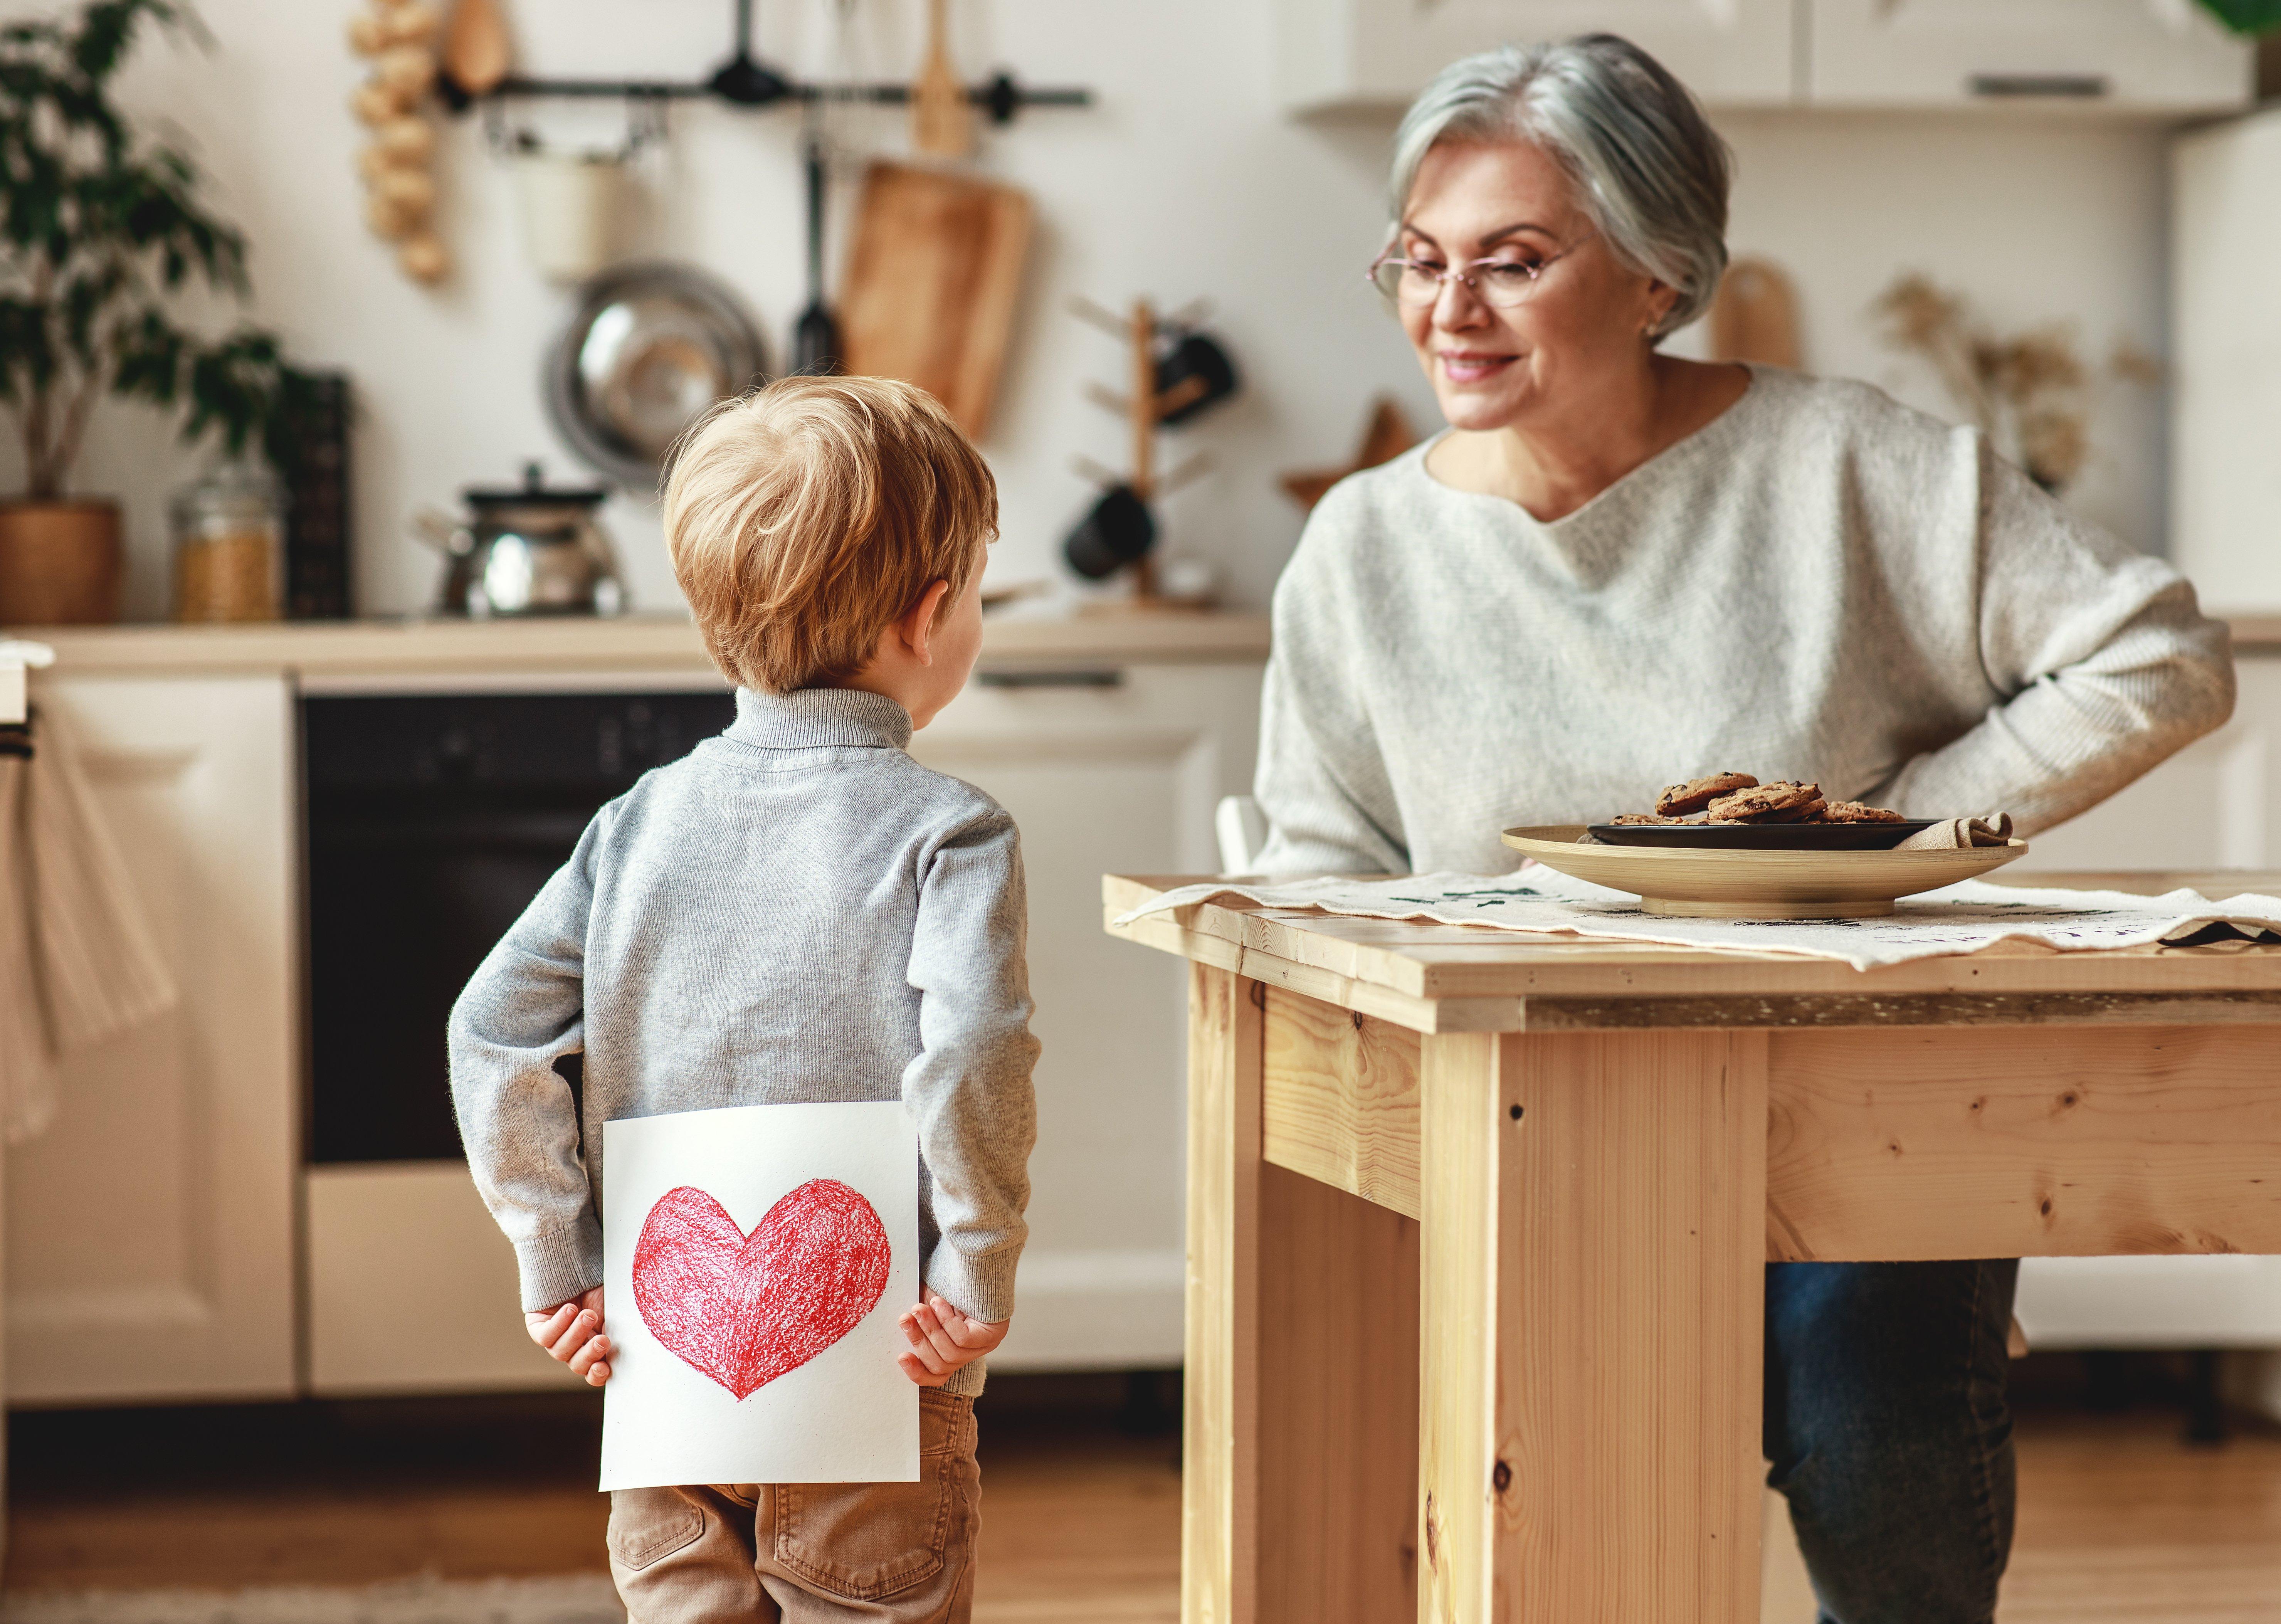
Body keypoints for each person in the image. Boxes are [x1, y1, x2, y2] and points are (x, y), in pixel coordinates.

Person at [1252, 34, 2233, 1624]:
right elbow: (1318, 870)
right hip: (1535, 1125)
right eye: (1422, 261)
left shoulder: (1852, 465)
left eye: (1513, 261)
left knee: (1868, 1427)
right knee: (1564, 1512)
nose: (1450, 310)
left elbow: (2160, 659)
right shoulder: (1362, 548)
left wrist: (1886, 838)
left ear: (1658, 272)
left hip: (1854, 1098)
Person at [448, 375, 1040, 1624]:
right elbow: (974, 1053)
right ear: (931, 617)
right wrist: (975, 1266)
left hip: (667, 1372)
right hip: (883, 1373)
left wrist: (557, 1256)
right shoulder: (951, 833)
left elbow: (490, 1029)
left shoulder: (635, 827)